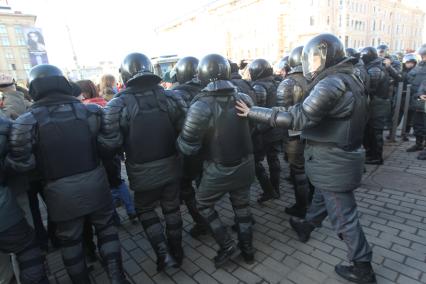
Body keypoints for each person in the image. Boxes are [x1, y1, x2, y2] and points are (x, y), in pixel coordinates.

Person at [236, 33, 376, 284]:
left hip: (333, 158)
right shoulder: (350, 76)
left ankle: (362, 266)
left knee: (344, 216)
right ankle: (307, 225)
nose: (310, 65)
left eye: (314, 59)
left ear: (326, 56)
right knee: (323, 196)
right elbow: (299, 112)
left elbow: (298, 119)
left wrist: (253, 112)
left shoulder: (331, 83)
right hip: (339, 155)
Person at [6, 64, 129, 284]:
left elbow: (22, 165)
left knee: (71, 241)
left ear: (34, 87)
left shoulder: (26, 122)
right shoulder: (90, 111)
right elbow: (110, 146)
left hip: (59, 190)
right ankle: (117, 277)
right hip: (95, 181)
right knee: (106, 229)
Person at [99, 53, 186, 271]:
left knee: (146, 210)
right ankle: (177, 251)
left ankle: (165, 255)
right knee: (172, 207)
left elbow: (110, 145)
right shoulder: (172, 97)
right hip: (171, 164)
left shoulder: (116, 105)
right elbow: (186, 131)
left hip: (141, 169)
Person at [177, 54, 255, 268]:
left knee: (203, 204)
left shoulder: (201, 105)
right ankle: (248, 250)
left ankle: (228, 245)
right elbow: (254, 126)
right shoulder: (243, 97)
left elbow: (187, 145)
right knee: (242, 206)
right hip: (245, 162)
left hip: (219, 167)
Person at [0, 115, 49, 284]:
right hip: (8, 206)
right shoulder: (7, 126)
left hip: (9, 205)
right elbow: (23, 162)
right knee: (28, 251)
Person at [170, 56, 209, 237]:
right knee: (204, 183)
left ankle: (202, 222)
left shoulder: (177, 92)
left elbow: (175, 123)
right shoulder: (208, 88)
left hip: (188, 148)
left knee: (186, 186)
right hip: (209, 146)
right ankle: (209, 215)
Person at [276, 46, 312, 218]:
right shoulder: (315, 78)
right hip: (313, 132)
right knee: (308, 169)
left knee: (298, 171)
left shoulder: (288, 83)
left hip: (294, 135)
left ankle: (302, 207)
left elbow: (283, 116)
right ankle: (310, 202)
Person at [249, 58, 284, 202]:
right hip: (277, 127)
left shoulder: (259, 86)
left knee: (257, 161)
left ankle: (270, 190)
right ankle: (275, 188)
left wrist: (255, 131)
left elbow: (258, 112)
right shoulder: (276, 83)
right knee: (274, 159)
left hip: (264, 131)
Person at [361, 47, 392, 165]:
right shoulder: (375, 66)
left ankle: (377, 157)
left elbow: (371, 89)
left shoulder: (375, 69)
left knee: (376, 132)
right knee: (370, 131)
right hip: (376, 103)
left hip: (378, 104)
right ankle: (370, 154)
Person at [406, 45, 426, 155]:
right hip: (417, 99)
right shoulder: (419, 66)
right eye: (422, 56)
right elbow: (410, 77)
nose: (423, 58)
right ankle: (419, 144)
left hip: (424, 99)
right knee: (418, 123)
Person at [399, 54, 418, 141]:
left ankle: (405, 133)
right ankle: (392, 132)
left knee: (409, 117)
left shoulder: (416, 73)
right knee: (398, 115)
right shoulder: (401, 72)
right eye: (408, 62)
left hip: (411, 97)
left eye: (412, 63)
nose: (410, 64)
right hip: (401, 96)